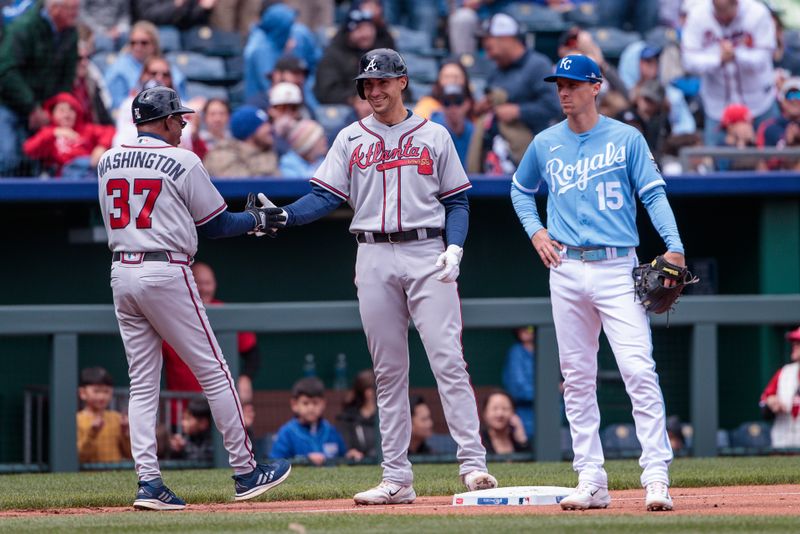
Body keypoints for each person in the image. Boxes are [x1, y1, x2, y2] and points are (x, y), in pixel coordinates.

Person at [263, 48, 497, 505]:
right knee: (388, 372)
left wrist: (454, 247)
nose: (375, 90)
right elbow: (323, 197)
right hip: (371, 252)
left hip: (428, 250)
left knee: (448, 359)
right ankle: (396, 477)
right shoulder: (350, 137)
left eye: (382, 82)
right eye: (368, 84)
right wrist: (286, 217)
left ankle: (473, 465)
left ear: (402, 81)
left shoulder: (434, 135)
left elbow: (458, 202)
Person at [97, 85, 289, 510]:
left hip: (122, 270)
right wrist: (259, 219)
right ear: (163, 120)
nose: (183, 124)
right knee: (216, 369)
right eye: (178, 118)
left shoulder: (107, 159)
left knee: (143, 383)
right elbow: (217, 225)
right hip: (165, 268)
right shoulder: (182, 159)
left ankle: (149, 483)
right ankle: (246, 472)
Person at [511, 54, 688, 513]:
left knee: (637, 369)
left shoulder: (626, 137)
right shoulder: (546, 142)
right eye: (559, 84)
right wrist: (535, 230)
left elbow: (653, 192)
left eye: (572, 83)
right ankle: (591, 478)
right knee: (576, 378)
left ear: (596, 86)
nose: (564, 91)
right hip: (566, 268)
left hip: (615, 267)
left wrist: (675, 246)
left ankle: (656, 477)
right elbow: (519, 189)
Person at [162, 261, 262, 426]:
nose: (203, 289)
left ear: (214, 285)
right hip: (183, 412)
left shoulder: (225, 314)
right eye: (198, 283)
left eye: (207, 283)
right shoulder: (170, 316)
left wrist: (245, 377)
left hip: (221, 406)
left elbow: (252, 352)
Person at [469, 13, 561, 173]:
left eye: (489, 46)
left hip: (531, 156)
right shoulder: (496, 71)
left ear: (505, 39)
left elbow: (553, 107)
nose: (487, 53)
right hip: (495, 156)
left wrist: (519, 111)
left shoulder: (538, 65)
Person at [681, 0, 778, 147]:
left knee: (772, 159)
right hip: (718, 108)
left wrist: (736, 55)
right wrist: (718, 59)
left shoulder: (757, 13)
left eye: (727, 12)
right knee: (716, 163)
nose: (724, 18)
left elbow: (764, 56)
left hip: (759, 104)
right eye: (719, 12)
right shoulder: (698, 15)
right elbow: (688, 60)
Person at [0, 0, 79, 176]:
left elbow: (67, 78)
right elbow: (6, 71)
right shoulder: (23, 28)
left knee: (39, 163)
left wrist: (57, 108)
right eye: (72, 9)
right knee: (7, 158)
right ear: (55, 9)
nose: (76, 14)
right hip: (10, 104)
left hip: (45, 109)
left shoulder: (70, 33)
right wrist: (32, 107)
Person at [22, 92, 115, 178]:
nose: (66, 115)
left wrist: (101, 147)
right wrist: (55, 132)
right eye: (61, 111)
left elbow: (110, 131)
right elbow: (28, 149)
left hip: (90, 168)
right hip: (64, 176)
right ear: (52, 113)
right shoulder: (48, 133)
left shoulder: (86, 129)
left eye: (71, 110)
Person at [269, 377, 353, 465]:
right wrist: (304, 460)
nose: (311, 408)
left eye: (315, 403)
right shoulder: (287, 432)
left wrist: (350, 456)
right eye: (305, 403)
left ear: (323, 403)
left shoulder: (331, 430)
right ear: (294, 404)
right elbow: (275, 463)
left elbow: (342, 458)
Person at [204, 105, 279, 178]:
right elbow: (242, 187)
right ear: (249, 131)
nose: (269, 128)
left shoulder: (268, 153)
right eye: (263, 125)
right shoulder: (222, 155)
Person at [76, 366, 132, 463]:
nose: (102, 396)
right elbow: (79, 456)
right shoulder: (77, 419)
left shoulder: (117, 418)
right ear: (82, 393)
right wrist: (92, 433)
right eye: (96, 391)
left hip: (115, 475)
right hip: (87, 476)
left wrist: (126, 432)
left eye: (106, 391)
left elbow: (130, 455)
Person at [759, 326, 800, 448]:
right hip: (783, 446)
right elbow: (763, 404)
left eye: (798, 343)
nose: (794, 346)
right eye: (794, 342)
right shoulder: (784, 372)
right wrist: (770, 403)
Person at [336, 369, 379, 460]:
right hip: (359, 461)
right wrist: (350, 452)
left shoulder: (386, 415)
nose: (370, 393)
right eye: (367, 389)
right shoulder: (348, 417)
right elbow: (345, 447)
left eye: (373, 389)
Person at [501, 326, 535, 438]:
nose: (524, 330)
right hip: (525, 418)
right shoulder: (516, 352)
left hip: (553, 416)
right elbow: (518, 389)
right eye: (520, 327)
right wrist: (551, 391)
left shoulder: (546, 349)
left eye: (529, 327)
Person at [480, 390, 529, 455]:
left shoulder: (517, 439)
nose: (500, 414)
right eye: (495, 408)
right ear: (485, 413)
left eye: (505, 408)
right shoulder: (478, 441)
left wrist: (522, 440)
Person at [168, 398, 213, 463]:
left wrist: (184, 448)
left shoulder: (213, 442)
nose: (183, 423)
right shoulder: (188, 438)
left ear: (203, 423)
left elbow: (200, 458)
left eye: (188, 419)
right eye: (183, 418)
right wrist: (177, 449)